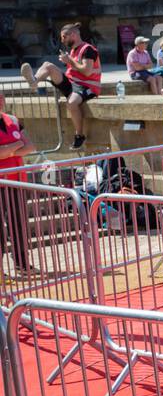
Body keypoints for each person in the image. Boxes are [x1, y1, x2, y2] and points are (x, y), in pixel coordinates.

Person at [21, 22, 101, 150]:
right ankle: (34, 82)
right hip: (72, 84)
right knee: (48, 65)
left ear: (73, 34)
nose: (62, 40)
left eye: (64, 37)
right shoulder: (73, 50)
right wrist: (68, 60)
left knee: (72, 102)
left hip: (87, 86)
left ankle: (79, 135)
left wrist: (69, 61)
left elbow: (87, 71)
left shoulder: (88, 49)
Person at [0, 94, 37, 277]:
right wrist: (16, 145)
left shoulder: (13, 120)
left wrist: (8, 150)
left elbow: (30, 146)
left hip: (17, 181)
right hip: (1, 182)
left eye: (0, 97)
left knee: (18, 224)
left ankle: (22, 264)